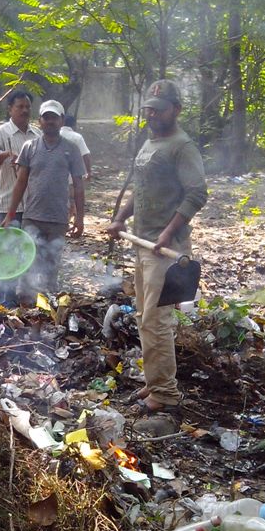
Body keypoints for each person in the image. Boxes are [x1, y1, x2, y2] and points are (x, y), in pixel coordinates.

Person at [106, 79, 208, 417]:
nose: (152, 113)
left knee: (155, 319)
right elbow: (141, 189)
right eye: (149, 108)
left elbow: (197, 193)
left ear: (176, 110)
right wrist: (120, 218)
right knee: (144, 317)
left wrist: (167, 234)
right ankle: (155, 379)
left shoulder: (183, 146)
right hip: (143, 243)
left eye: (159, 109)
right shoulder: (151, 143)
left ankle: (165, 393)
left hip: (166, 250)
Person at [2, 100, 85, 304]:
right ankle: (24, 313)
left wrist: (80, 219)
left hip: (58, 219)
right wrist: (10, 214)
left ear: (61, 120)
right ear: (39, 121)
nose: (50, 121)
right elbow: (21, 183)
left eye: (54, 117)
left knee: (51, 269)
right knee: (27, 266)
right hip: (32, 217)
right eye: (46, 117)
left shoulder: (72, 149)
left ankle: (48, 315)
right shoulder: (29, 147)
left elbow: (79, 185)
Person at [0, 89, 39, 307]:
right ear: (10, 109)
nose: (24, 110)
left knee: (30, 256)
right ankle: (5, 306)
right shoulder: (0, 134)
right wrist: (5, 155)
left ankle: (27, 306)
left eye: (27, 107)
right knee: (8, 257)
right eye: (19, 107)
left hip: (32, 206)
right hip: (7, 205)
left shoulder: (37, 135)